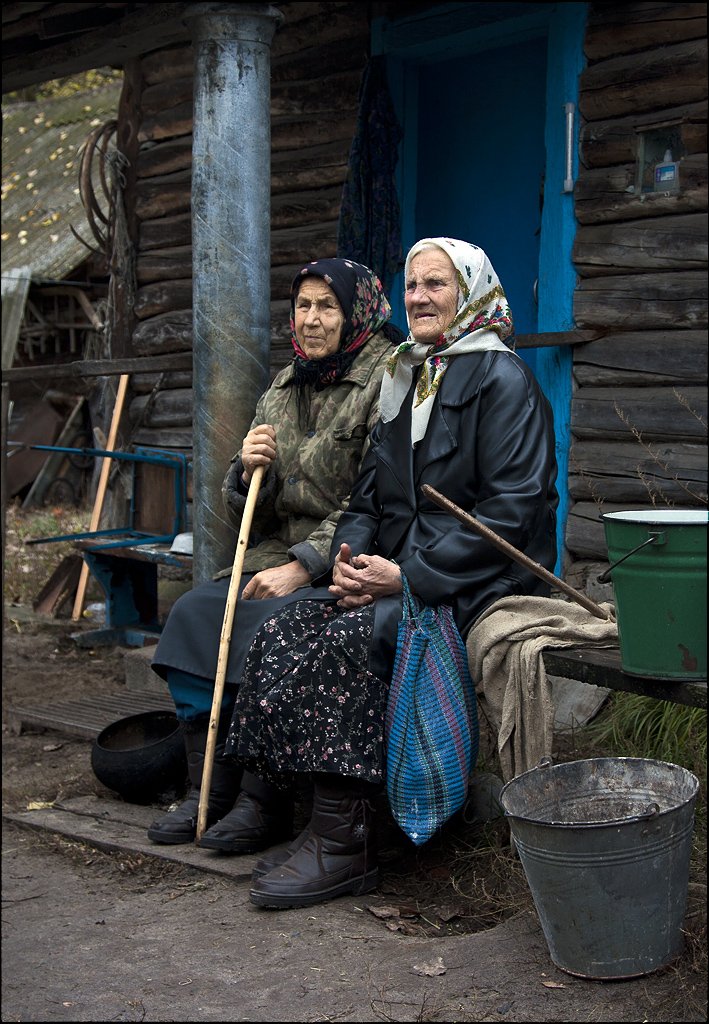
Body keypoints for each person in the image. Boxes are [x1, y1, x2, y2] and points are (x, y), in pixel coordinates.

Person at [222, 236, 560, 910]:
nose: (418, 298)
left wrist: (406, 578)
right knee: (284, 630)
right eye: (410, 286)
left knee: (353, 644)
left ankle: (346, 844)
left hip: (477, 582)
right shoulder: (408, 379)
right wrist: (346, 564)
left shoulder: (502, 381)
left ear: (469, 292)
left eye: (435, 285)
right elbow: (367, 500)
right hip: (394, 573)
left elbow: (511, 515)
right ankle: (267, 803)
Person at [147, 257, 403, 851]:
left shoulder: (386, 381)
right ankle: (206, 789)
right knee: (194, 612)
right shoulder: (283, 388)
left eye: (327, 307)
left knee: (269, 625)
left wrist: (303, 567)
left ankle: (263, 801)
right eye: (303, 307)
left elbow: (378, 499)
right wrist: (244, 474)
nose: (311, 321)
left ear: (357, 313)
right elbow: (254, 515)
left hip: (347, 560)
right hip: (270, 554)